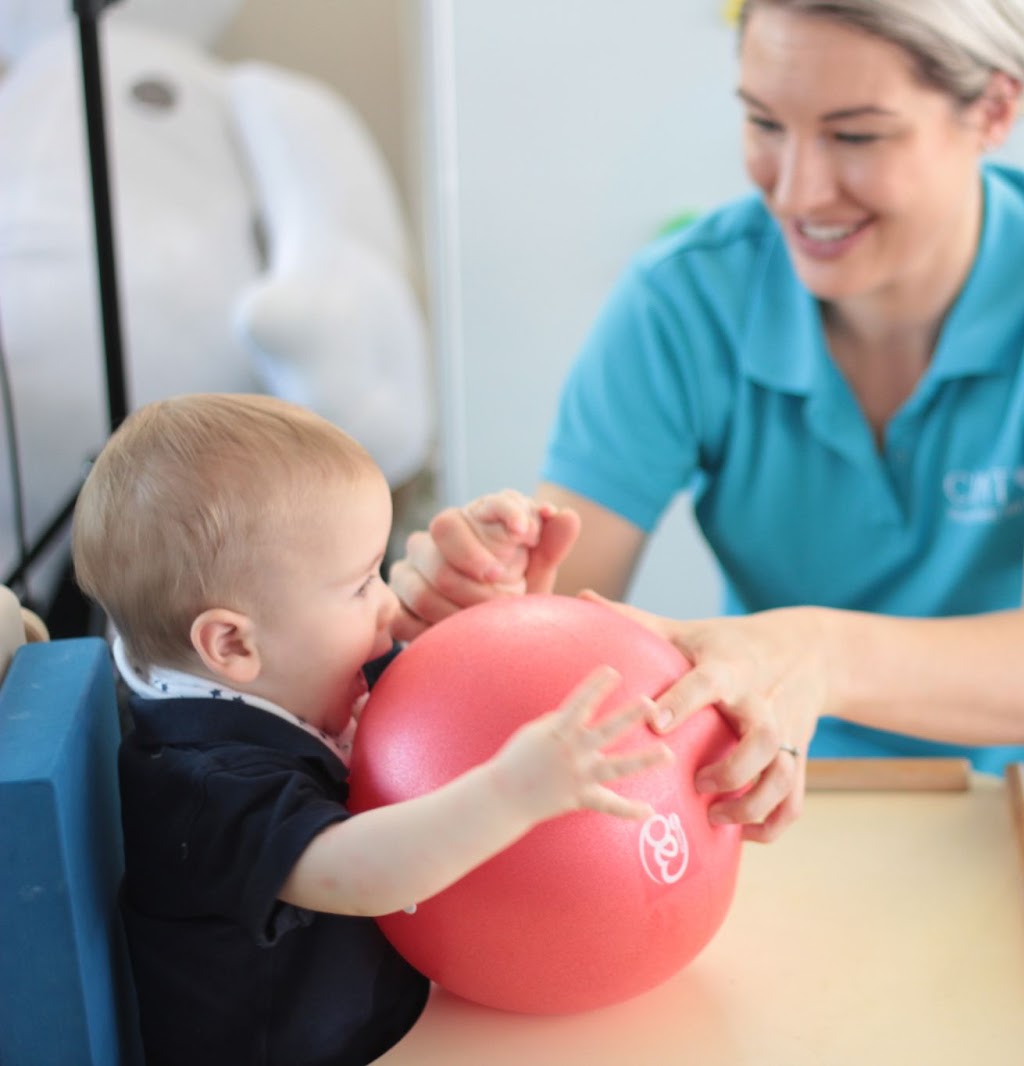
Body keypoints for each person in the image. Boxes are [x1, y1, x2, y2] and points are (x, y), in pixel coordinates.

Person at [392, 1, 1024, 1063]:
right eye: (764, 122)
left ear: (990, 110)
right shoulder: (682, 301)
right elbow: (561, 604)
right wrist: (473, 611)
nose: (798, 190)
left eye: (855, 135)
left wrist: (807, 648)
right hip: (799, 819)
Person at [70, 393, 671, 1066]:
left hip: (401, 1027)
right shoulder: (200, 783)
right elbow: (359, 871)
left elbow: (431, 690)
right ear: (232, 645)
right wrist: (514, 791)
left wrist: (493, 584)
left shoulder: (291, 673)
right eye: (360, 586)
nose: (389, 601)